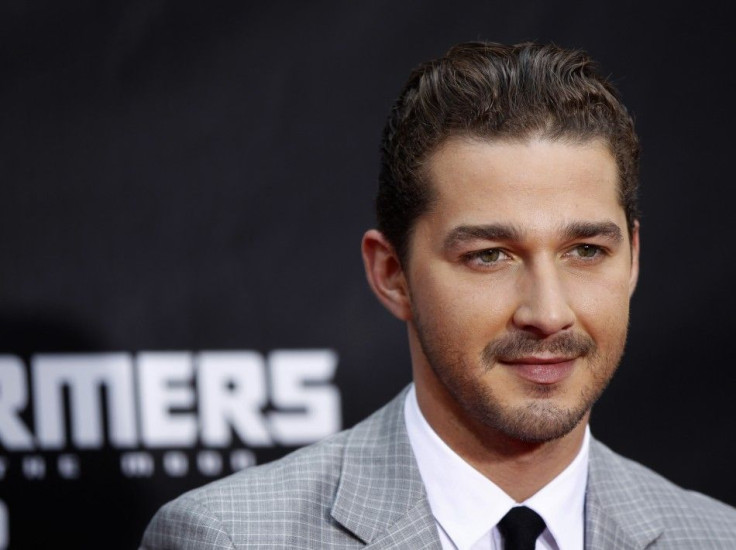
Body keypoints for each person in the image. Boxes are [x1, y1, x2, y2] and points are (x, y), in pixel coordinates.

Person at [141, 41, 736, 549]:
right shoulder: (234, 538)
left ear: (632, 257)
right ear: (391, 273)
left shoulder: (715, 537)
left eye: (585, 250)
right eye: (489, 256)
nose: (549, 313)